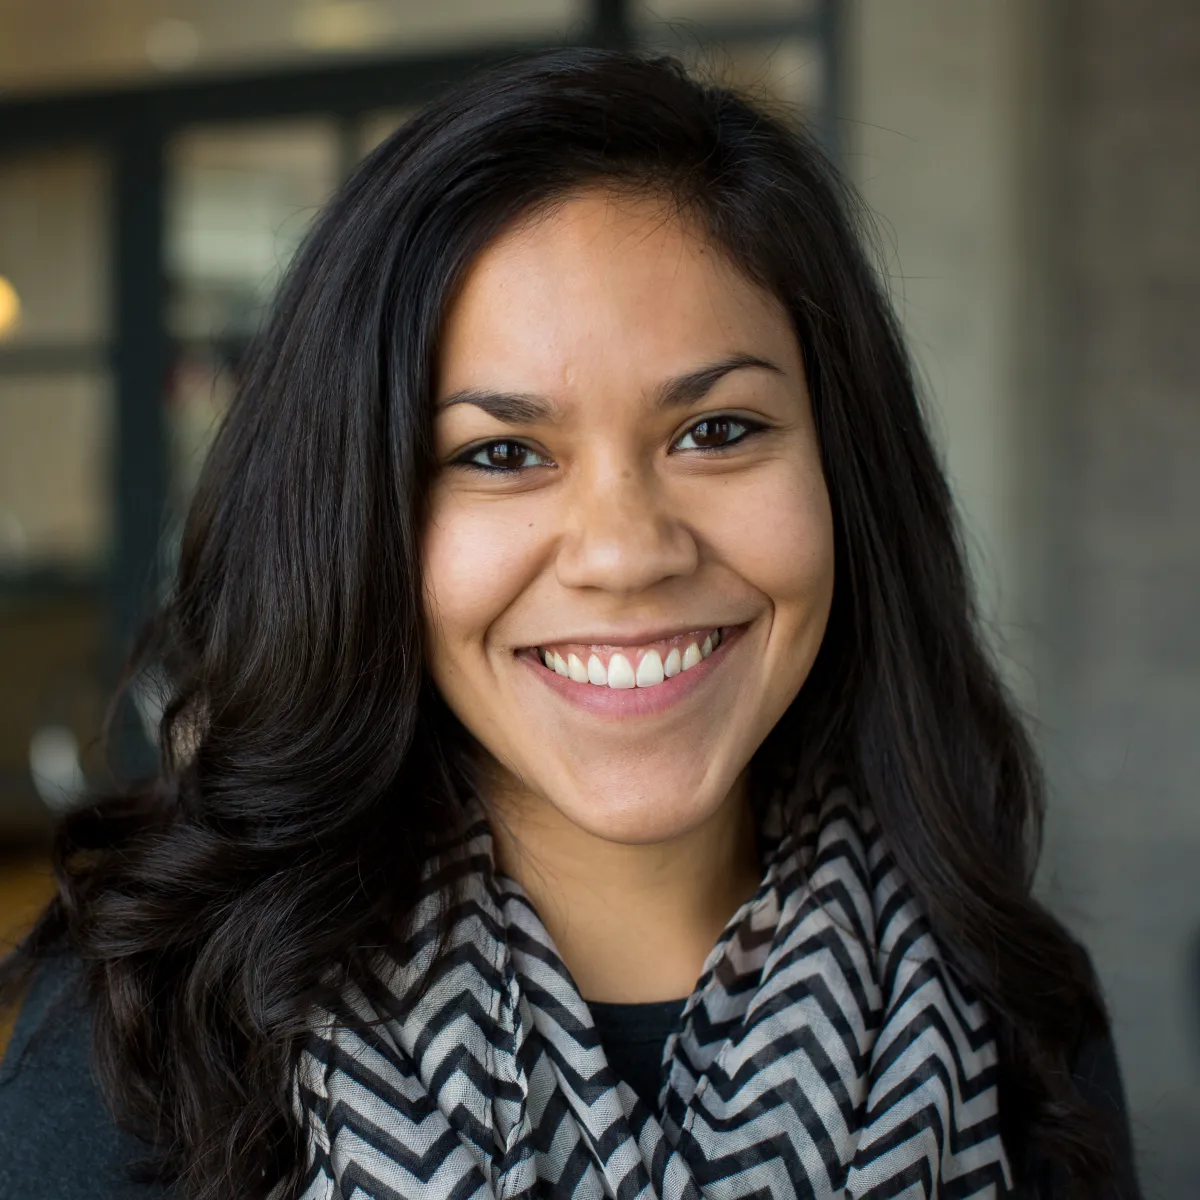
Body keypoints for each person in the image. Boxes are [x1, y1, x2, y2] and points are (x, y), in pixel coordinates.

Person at [0, 49, 1141, 1200]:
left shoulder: (1016, 1012)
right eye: (502, 455)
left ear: (846, 472)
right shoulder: (148, 1025)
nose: (626, 551)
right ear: (358, 523)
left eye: (719, 431)